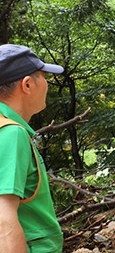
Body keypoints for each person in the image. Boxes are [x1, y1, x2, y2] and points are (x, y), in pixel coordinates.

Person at [0, 44, 65, 253]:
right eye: (43, 76)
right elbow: (4, 222)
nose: (47, 83)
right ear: (27, 85)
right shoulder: (11, 134)